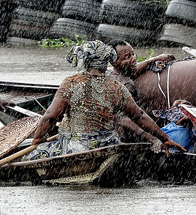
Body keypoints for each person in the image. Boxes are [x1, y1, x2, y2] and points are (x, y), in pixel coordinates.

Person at [28, 41, 185, 157]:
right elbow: (140, 116)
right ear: (106, 64)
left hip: (79, 147)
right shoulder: (116, 87)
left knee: (32, 155)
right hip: (110, 144)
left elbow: (50, 117)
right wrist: (164, 139)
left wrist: (37, 140)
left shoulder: (71, 83)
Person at [108, 40, 175, 102]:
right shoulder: (127, 86)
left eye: (133, 54)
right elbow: (135, 112)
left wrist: (154, 59)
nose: (134, 58)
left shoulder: (109, 72)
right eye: (127, 57)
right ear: (113, 62)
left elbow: (134, 70)